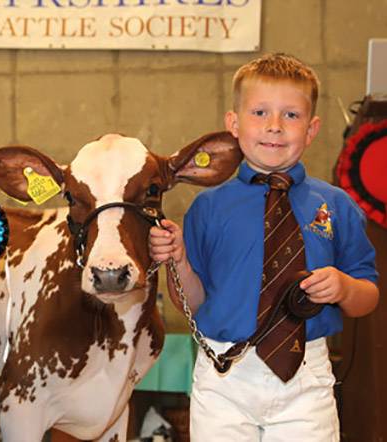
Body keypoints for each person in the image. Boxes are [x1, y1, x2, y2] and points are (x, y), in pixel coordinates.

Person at [149, 53, 379, 441]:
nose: (274, 127)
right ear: (233, 124)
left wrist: (343, 286)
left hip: (306, 377)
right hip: (225, 375)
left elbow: (367, 296)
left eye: (291, 115)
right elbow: (193, 301)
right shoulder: (207, 207)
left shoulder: (336, 205)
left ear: (311, 129)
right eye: (259, 112)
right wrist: (179, 260)